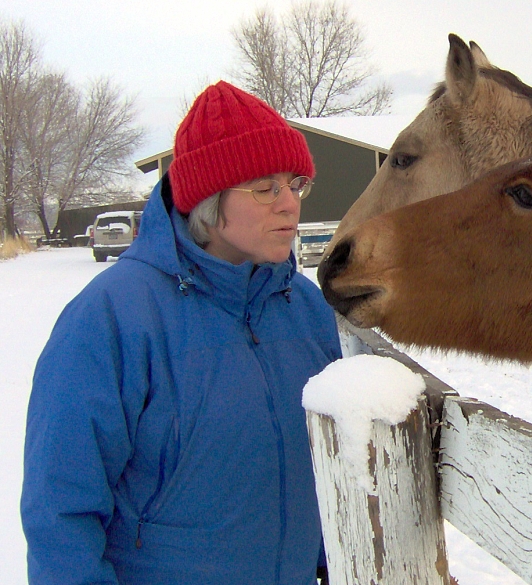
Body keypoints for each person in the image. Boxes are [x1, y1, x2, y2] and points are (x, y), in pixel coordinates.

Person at [21, 81, 341, 584]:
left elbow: (337, 469)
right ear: (208, 202)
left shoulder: (306, 309)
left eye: (295, 183)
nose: (289, 204)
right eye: (265, 187)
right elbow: (60, 510)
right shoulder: (112, 317)